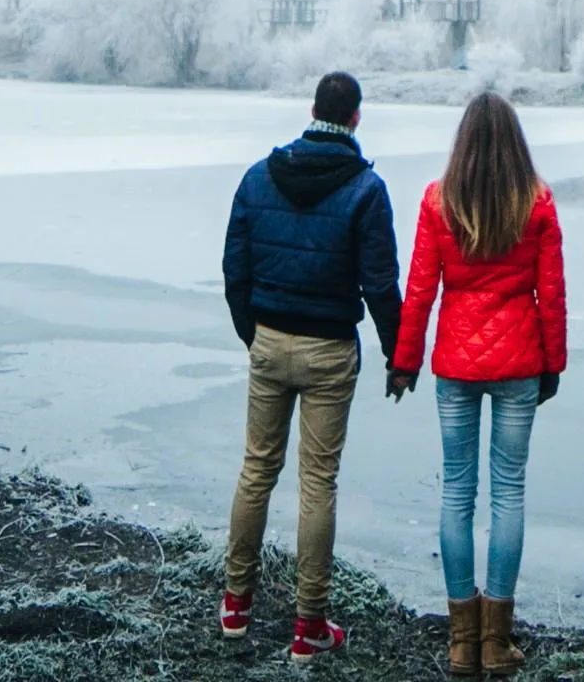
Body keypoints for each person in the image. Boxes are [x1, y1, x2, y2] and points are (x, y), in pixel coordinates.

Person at [220, 69, 402, 662]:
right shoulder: (366, 190)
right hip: (329, 351)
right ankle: (308, 628)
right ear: (355, 118)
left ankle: (236, 606)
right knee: (317, 484)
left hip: (270, 341)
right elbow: (379, 283)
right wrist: (398, 356)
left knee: (256, 471)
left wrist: (254, 332)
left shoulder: (257, 177)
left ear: (312, 109)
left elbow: (234, 268)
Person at [388, 92, 566, 677]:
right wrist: (553, 364)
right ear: (516, 142)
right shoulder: (535, 202)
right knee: (508, 492)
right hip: (518, 360)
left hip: (456, 365)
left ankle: (462, 642)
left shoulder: (439, 201)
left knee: (457, 493)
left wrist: (405, 361)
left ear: (462, 142)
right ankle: (497, 642)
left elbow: (419, 290)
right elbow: (552, 293)